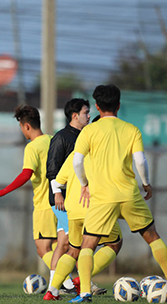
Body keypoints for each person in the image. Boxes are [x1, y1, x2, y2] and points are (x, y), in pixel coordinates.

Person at [69, 84, 167, 303]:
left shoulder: (89, 131)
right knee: (152, 236)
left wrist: (84, 183)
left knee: (88, 245)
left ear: (96, 106)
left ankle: (84, 293)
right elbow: (140, 160)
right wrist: (146, 183)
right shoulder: (131, 129)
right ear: (119, 105)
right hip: (129, 194)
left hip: (102, 198)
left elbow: (77, 161)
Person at [44, 117, 124, 301]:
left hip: (73, 212)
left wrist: (58, 195)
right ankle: (81, 280)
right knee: (115, 242)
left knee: (73, 250)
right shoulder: (104, 157)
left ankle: (52, 290)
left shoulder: (74, 155)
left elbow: (57, 181)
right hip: (94, 210)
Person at [0, 106, 57, 274]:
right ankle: (78, 283)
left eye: (21, 128)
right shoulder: (53, 140)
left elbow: (26, 174)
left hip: (44, 205)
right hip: (61, 202)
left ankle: (68, 282)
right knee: (58, 248)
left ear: (26, 126)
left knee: (43, 249)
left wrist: (1, 192)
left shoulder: (32, 147)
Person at [45, 99, 90, 295]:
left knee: (65, 242)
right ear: (75, 115)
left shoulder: (85, 137)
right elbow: (52, 170)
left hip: (76, 200)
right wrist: (57, 194)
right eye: (85, 112)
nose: (88, 116)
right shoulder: (61, 137)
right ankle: (64, 284)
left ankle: (57, 286)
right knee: (71, 242)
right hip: (62, 199)